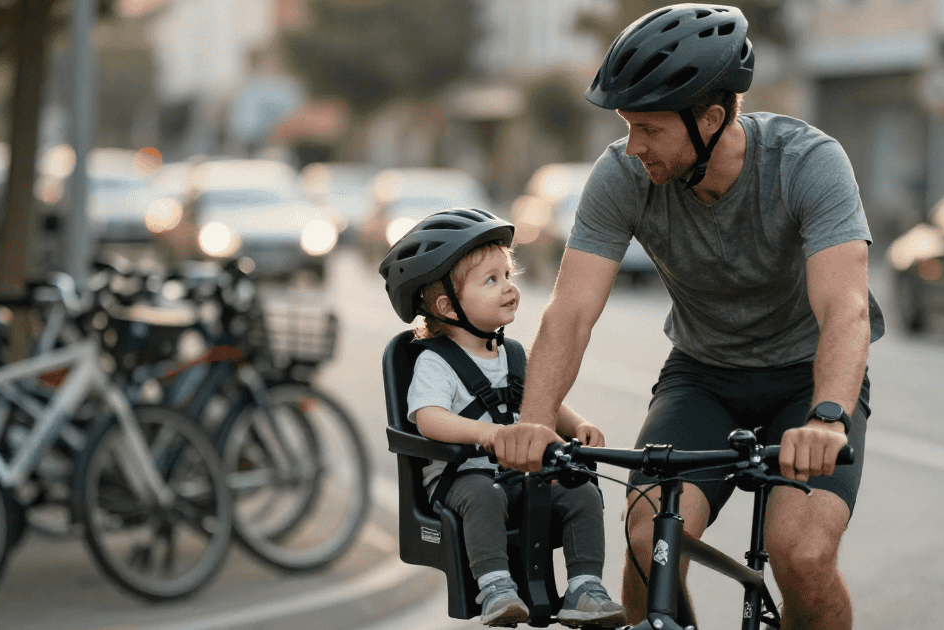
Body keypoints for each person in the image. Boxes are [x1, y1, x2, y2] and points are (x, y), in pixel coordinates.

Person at [493, 5, 886, 630]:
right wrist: (536, 421)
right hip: (703, 376)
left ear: (711, 117)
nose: (633, 145)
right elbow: (570, 312)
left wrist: (828, 416)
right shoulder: (622, 175)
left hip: (809, 383)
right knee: (650, 538)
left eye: (649, 127)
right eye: (628, 126)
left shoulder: (808, 162)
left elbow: (845, 306)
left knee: (802, 554)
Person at [379, 208, 628, 628]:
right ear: (447, 304)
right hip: (460, 481)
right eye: (491, 281)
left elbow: (541, 401)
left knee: (580, 491)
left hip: (518, 476)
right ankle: (496, 587)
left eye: (508, 276)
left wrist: (576, 424)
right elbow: (428, 419)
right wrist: (488, 433)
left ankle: (584, 588)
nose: (509, 289)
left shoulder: (512, 354)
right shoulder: (435, 363)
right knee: (483, 494)